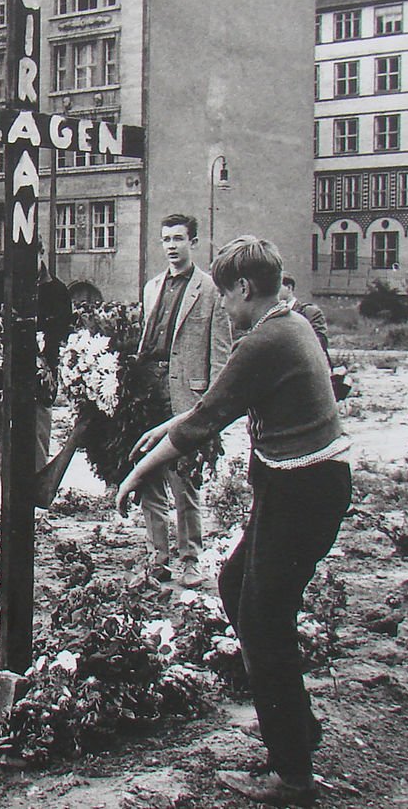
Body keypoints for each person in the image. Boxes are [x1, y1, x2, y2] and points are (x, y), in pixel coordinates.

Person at [116, 236, 351, 808]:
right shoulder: (287, 323)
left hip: (303, 491)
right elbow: (214, 406)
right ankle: (296, 728)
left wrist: (134, 475)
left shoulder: (267, 340)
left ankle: (292, 776)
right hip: (298, 484)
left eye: (224, 294)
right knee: (234, 584)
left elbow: (207, 418)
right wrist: (164, 427)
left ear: (244, 288)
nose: (222, 304)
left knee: (264, 624)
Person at [134, 213, 231, 588]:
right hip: (150, 393)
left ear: (193, 242)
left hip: (186, 400)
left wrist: (209, 408)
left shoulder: (210, 290)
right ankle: (157, 557)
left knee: (184, 480)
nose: (171, 246)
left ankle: (190, 558)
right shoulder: (151, 288)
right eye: (166, 239)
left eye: (178, 239)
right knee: (148, 475)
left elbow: (220, 355)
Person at [0, 244, 73, 507]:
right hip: (0, 381)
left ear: (41, 253)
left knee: (36, 446)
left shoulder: (56, 291)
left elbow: (61, 337)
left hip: (38, 383)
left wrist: (44, 366)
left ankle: (33, 509)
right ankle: (10, 507)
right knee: (6, 449)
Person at [278, 275, 329, 355]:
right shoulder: (270, 313)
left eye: (276, 287)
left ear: (289, 288)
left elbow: (321, 342)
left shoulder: (309, 312)